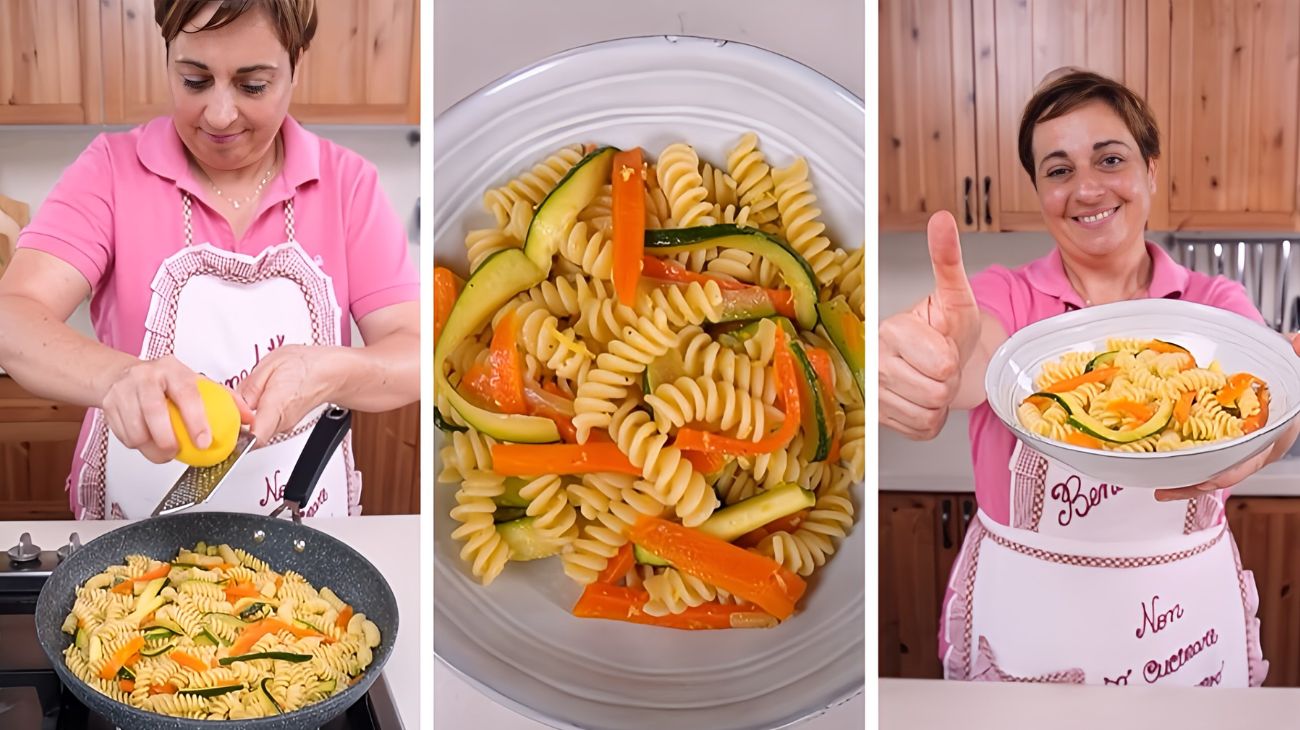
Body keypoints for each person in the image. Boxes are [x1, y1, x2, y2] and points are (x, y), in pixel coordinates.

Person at [879, 69, 1300, 686]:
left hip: (1184, 631)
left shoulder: (1214, 307)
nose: (1086, 188)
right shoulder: (1007, 297)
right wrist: (934, 364)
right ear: (1039, 190)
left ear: (1150, 170)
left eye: (1110, 158)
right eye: (1058, 170)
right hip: (1030, 631)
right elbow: (975, 358)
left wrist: (1270, 435)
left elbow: (1272, 417)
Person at [0, 0, 419, 519]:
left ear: (295, 67)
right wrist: (117, 379)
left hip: (305, 536)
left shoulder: (348, 184)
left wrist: (331, 370)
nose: (220, 115)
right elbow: (11, 317)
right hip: (134, 536)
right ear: (167, 59)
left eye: (253, 86)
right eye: (195, 81)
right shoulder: (109, 171)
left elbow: (418, 351)